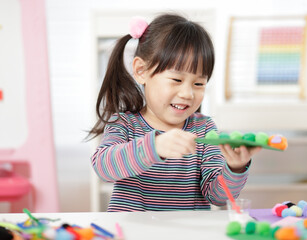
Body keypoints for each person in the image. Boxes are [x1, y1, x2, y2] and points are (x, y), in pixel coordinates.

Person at [89, 13, 261, 212]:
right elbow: (103, 167)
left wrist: (235, 168)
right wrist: (155, 146)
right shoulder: (124, 123)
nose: (187, 93)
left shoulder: (204, 129)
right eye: (176, 80)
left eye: (198, 84)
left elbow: (217, 197)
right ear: (141, 71)